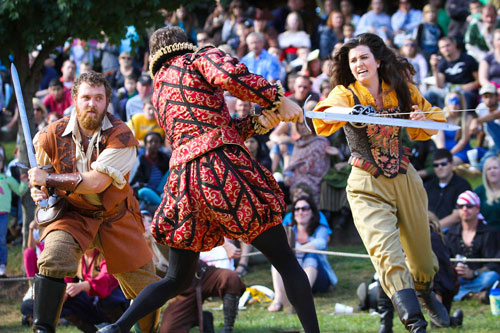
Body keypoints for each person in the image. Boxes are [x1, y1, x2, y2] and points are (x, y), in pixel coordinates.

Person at [98, 26, 319, 333]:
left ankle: (117, 327)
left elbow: (210, 131)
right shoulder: (196, 58)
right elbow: (230, 77)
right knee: (285, 261)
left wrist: (257, 121)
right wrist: (276, 99)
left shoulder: (161, 88)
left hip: (184, 184)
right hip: (220, 172)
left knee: (176, 279)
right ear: (184, 44)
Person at [312, 33, 450, 331]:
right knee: (387, 255)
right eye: (353, 60)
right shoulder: (345, 93)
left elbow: (435, 121)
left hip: (406, 178)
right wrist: (349, 112)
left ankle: (425, 292)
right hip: (366, 183)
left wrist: (419, 117)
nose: (358, 63)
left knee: (423, 263)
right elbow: (324, 112)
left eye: (363, 57)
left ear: (377, 61)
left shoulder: (402, 90)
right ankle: (416, 324)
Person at [27, 72, 161, 333]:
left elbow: (96, 183)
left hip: (116, 216)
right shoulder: (50, 135)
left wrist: (49, 178)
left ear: (107, 101)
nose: (92, 103)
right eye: (86, 97)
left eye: (99, 98)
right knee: (52, 259)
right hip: (72, 214)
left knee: (146, 288)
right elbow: (40, 177)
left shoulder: (122, 137)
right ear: (74, 99)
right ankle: (42, 330)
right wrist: (38, 189)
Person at [268, 196, 337, 312]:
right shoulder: (289, 230)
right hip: (294, 276)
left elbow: (321, 242)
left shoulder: (320, 229)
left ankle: (301, 299)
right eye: (297, 209)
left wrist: (296, 250)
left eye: (304, 209)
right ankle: (278, 299)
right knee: (277, 260)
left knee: (312, 256)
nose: (300, 212)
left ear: (312, 212)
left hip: (319, 279)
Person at [445, 190, 500, 303]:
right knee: (442, 280)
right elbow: (444, 260)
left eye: (469, 206)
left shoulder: (490, 233)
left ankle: (458, 294)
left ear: (477, 209)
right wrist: (454, 271)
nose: (465, 209)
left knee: (491, 277)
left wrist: (473, 273)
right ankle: (473, 295)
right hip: (456, 279)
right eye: (461, 206)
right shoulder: (450, 234)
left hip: (480, 279)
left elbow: (494, 263)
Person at [426, 36, 479, 110]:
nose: (446, 49)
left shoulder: (468, 59)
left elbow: (479, 80)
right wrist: (435, 68)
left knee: (462, 96)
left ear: (454, 44)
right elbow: (439, 85)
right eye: (442, 47)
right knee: (429, 94)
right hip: (448, 91)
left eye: (448, 45)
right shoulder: (442, 63)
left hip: (466, 92)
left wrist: (471, 85)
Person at [424, 148, 471, 229]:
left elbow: (457, 216)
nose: (439, 167)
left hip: (452, 231)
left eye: (443, 164)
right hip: (428, 228)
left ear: (452, 164)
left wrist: (434, 228)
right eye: (436, 165)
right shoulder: (428, 185)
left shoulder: (463, 186)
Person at [0, 148, 28, 277]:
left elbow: (20, 191)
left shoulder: (6, 179)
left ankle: (2, 266)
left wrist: (24, 182)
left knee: (1, 240)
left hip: (3, 215)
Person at [129, 131, 170, 213]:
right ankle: (165, 206)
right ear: (145, 144)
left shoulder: (164, 158)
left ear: (160, 145)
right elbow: (133, 182)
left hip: (160, 189)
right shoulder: (140, 160)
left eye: (156, 142)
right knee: (143, 191)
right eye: (150, 142)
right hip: (147, 189)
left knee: (172, 169)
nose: (153, 144)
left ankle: (162, 201)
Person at [434, 91, 474, 165]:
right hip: (444, 152)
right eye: (451, 101)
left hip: (461, 152)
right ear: (447, 103)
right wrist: (443, 154)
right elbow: (440, 140)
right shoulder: (441, 119)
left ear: (461, 104)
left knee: (449, 163)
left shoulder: (467, 118)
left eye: (457, 102)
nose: (454, 105)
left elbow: (463, 141)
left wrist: (449, 154)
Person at [475, 156, 500, 229]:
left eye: (495, 168)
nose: (492, 171)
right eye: (488, 169)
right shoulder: (479, 192)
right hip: (485, 235)